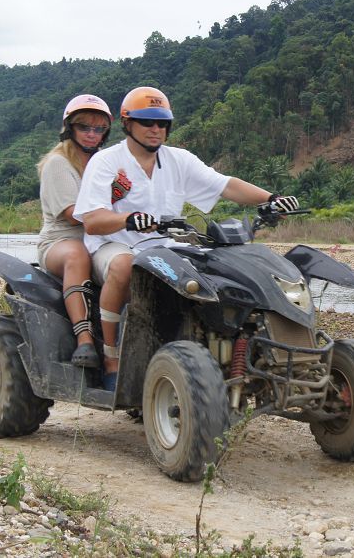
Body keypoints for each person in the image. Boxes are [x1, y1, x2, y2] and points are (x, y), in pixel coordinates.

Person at [73, 86, 299, 391]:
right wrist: (128, 218)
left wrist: (271, 199)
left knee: (213, 268)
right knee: (125, 265)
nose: (155, 129)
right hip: (114, 245)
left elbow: (225, 185)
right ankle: (111, 357)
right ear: (127, 123)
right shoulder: (106, 161)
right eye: (147, 122)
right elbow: (92, 221)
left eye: (162, 123)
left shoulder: (178, 160)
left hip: (164, 247)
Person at [36, 93, 113, 369]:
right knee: (77, 254)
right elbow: (73, 215)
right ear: (70, 128)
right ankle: (85, 339)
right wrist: (122, 218)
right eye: (84, 127)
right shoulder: (58, 164)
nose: (92, 134)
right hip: (61, 240)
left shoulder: (105, 163)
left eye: (99, 129)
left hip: (102, 239)